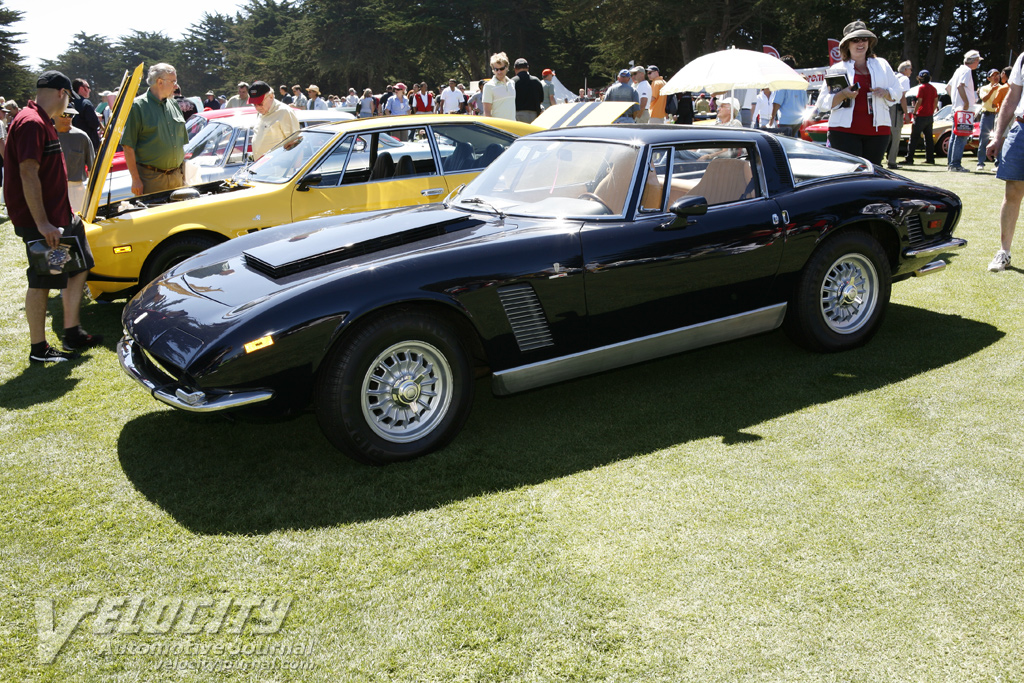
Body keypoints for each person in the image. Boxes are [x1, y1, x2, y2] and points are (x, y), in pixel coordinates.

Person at [3, 70, 102, 363]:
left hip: (60, 216)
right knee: (44, 279)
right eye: (68, 97)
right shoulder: (31, 123)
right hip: (42, 222)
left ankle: (72, 332)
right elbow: (27, 173)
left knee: (80, 264)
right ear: (62, 93)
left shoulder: (38, 120)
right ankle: (39, 349)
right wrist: (43, 223)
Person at [815, 20, 899, 165]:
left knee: (873, 176)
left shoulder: (882, 65)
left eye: (864, 39)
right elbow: (822, 103)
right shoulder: (836, 69)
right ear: (846, 45)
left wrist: (886, 92)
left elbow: (898, 93)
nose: (861, 43)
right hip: (843, 132)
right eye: (855, 40)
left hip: (878, 132)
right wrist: (843, 95)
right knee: (848, 177)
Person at [121, 63, 188, 196]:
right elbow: (128, 146)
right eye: (173, 81)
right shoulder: (137, 107)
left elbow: (180, 145)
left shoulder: (174, 104)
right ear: (160, 82)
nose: (176, 86)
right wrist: (135, 180)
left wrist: (183, 176)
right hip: (151, 180)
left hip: (177, 178)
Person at [985, 53, 1024, 272]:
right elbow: (1012, 96)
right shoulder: (1023, 58)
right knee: (1013, 192)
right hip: (1022, 128)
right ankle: (1004, 252)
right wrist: (997, 136)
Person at [947, 49, 983, 172]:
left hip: (957, 108)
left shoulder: (959, 70)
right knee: (961, 137)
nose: (978, 63)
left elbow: (948, 87)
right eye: (978, 61)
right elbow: (960, 86)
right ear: (974, 61)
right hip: (964, 110)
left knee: (954, 136)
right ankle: (955, 164)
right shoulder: (967, 71)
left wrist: (955, 101)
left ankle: (951, 163)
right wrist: (966, 102)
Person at [54, 104, 94, 212]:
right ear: (53, 115)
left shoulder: (82, 137)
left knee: (79, 222)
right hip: (52, 187)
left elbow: (92, 169)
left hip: (75, 188)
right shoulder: (46, 135)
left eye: (71, 115)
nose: (67, 118)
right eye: (63, 115)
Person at [248, 81, 299, 160]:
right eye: (254, 104)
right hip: (260, 167)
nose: (257, 108)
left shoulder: (284, 112)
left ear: (271, 96)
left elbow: (295, 143)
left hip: (279, 167)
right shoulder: (261, 112)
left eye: (260, 103)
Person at [904, 70, 938, 165]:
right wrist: (932, 110)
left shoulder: (921, 88)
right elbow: (935, 101)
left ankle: (909, 158)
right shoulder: (933, 88)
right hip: (929, 116)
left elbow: (919, 101)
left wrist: (914, 112)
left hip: (921, 116)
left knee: (914, 137)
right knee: (929, 138)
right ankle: (930, 158)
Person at [770, 56, 807, 137]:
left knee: (786, 145)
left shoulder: (783, 81)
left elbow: (777, 102)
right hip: (798, 120)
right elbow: (804, 104)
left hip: (785, 119)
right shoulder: (801, 80)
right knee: (794, 143)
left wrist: (772, 118)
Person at [886, 60, 913, 169]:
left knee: (887, 135)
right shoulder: (905, 79)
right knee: (896, 135)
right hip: (895, 109)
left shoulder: (894, 77)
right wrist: (906, 113)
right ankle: (892, 161)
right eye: (910, 69)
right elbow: (902, 98)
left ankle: (882, 158)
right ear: (905, 70)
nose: (911, 71)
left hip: (887, 106)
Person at [977, 68, 1002, 171]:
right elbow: (984, 99)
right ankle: (980, 163)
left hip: (998, 114)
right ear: (988, 78)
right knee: (983, 139)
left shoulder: (1002, 88)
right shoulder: (984, 88)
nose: (996, 77)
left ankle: (998, 163)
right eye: (993, 75)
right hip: (987, 115)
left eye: (998, 75)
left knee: (999, 139)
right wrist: (992, 89)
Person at [70, 78, 102, 151]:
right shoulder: (86, 103)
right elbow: (94, 123)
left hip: (73, 143)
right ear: (81, 88)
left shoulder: (69, 103)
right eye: (88, 87)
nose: (89, 90)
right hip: (88, 143)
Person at [483, 52, 516, 120]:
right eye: (496, 69)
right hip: (498, 128)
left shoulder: (512, 83)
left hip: (512, 126)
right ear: (493, 70)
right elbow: (487, 113)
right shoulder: (488, 86)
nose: (499, 72)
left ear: (507, 67)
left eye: (502, 68)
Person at [511, 58, 543, 122]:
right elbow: (541, 99)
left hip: (518, 115)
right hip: (534, 115)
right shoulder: (536, 81)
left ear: (515, 69)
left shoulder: (512, 82)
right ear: (527, 68)